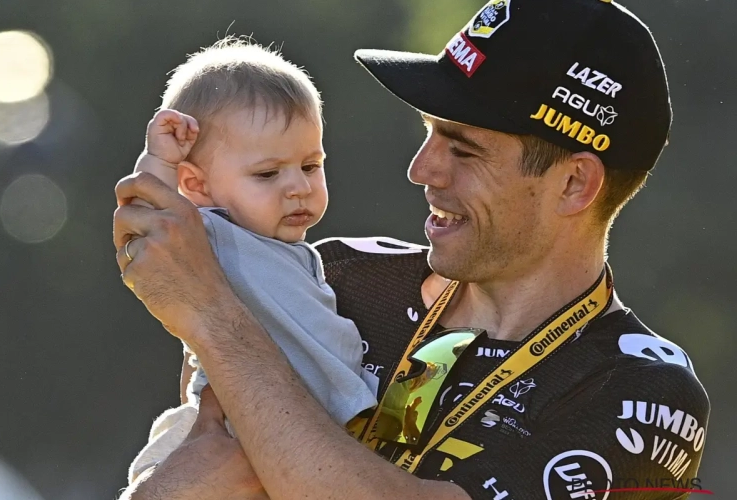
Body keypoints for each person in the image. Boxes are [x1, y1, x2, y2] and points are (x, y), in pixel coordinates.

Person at [115, 1, 710, 499]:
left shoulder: (640, 393)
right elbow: (198, 454)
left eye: (464, 148)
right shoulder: (336, 273)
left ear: (575, 184)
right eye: (428, 134)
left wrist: (214, 315)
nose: (421, 169)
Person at [123, 39, 378, 487]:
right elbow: (149, 219)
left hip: (301, 431)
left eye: (311, 165)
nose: (298, 186)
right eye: (267, 173)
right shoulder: (210, 233)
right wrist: (161, 159)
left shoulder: (297, 252)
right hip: (228, 425)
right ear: (197, 186)